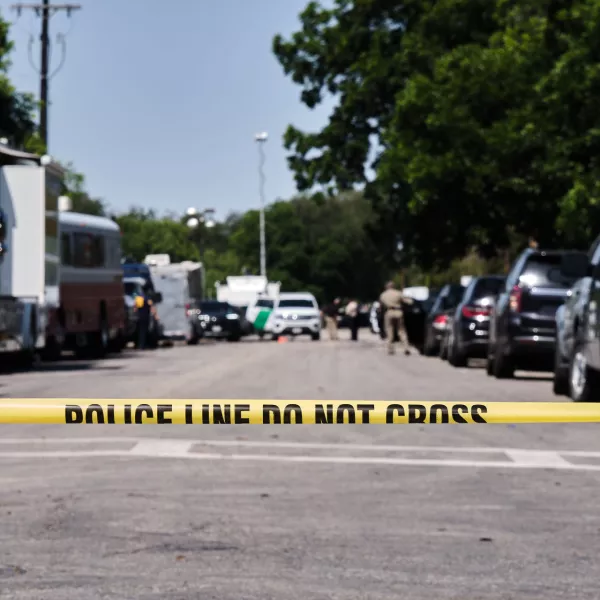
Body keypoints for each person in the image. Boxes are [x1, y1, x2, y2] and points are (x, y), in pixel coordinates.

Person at [379, 280, 413, 355]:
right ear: (393, 286)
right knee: (401, 330)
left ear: (386, 287)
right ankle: (406, 348)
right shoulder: (398, 293)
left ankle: (390, 349)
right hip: (398, 312)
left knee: (389, 331)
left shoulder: (383, 295)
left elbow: (380, 307)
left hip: (389, 312)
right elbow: (408, 301)